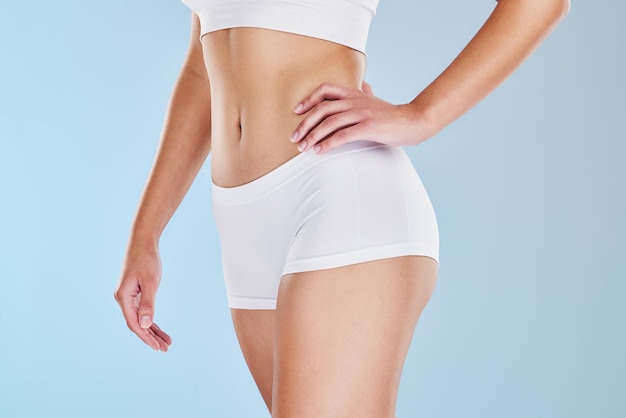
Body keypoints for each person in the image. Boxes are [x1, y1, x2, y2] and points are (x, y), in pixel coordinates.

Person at [114, 0, 569, 416]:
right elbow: (202, 65)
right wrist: (146, 234)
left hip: (338, 197)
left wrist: (421, 115)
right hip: (243, 224)